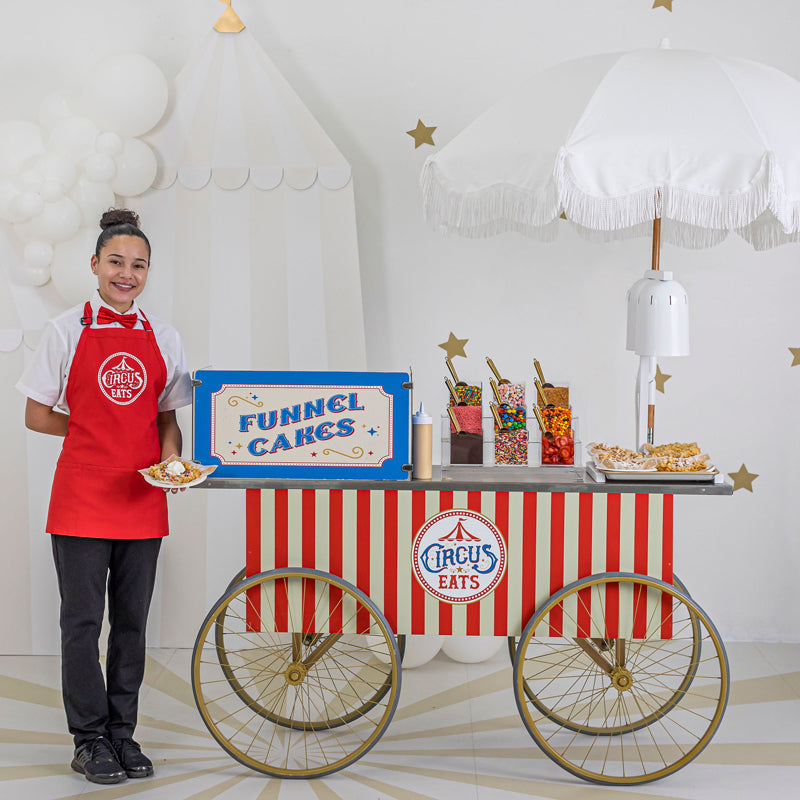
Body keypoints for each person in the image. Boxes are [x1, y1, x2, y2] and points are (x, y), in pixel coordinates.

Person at [16, 209, 192, 785]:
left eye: (138, 265)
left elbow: (169, 416)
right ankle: (88, 738)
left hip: (144, 496)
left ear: (148, 273)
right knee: (82, 622)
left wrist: (169, 456)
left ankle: (124, 734)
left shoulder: (164, 336)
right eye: (116, 262)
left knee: (133, 623)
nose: (127, 273)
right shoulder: (66, 330)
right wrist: (92, 431)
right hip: (82, 494)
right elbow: (37, 413)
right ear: (94, 265)